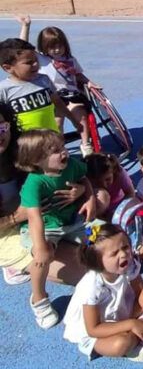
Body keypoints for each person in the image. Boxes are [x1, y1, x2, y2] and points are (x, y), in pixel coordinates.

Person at [15, 129, 97, 329]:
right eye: (55, 151)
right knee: (43, 256)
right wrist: (40, 244)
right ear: (37, 160)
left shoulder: (70, 165)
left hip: (70, 223)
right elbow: (34, 218)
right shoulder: (34, 183)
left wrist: (91, 197)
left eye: (62, 147)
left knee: (97, 234)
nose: (64, 153)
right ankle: (39, 299)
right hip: (46, 228)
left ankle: (105, 264)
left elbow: (84, 176)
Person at [63, 223, 143, 364]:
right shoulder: (92, 286)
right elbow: (94, 329)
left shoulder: (129, 264)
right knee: (121, 344)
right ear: (98, 262)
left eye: (125, 247)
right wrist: (131, 324)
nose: (123, 254)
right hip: (102, 329)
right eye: (114, 253)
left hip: (120, 309)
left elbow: (141, 290)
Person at [0, 104, 86, 287]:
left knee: (101, 201)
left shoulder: (23, 148)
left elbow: (69, 170)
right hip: (8, 230)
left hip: (49, 216)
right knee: (86, 272)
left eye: (2, 127)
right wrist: (17, 217)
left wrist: (80, 189)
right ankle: (18, 265)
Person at [18, 15, 102, 157]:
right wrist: (26, 26)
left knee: (80, 116)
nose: (56, 50)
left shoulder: (70, 59)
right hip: (52, 97)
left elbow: (78, 75)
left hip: (71, 95)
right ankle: (60, 148)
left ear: (65, 44)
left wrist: (88, 82)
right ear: (44, 48)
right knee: (57, 123)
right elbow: (21, 46)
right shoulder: (42, 59)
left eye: (59, 46)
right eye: (52, 47)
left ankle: (86, 145)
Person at [0, 38, 80, 134]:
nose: (36, 64)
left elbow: (57, 102)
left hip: (51, 138)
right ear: (8, 68)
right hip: (25, 144)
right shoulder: (3, 90)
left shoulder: (44, 80)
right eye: (29, 62)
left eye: (36, 60)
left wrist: (73, 120)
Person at [85, 153, 136, 220]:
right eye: (97, 182)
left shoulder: (119, 173)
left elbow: (130, 193)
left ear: (113, 172)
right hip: (99, 209)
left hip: (119, 205)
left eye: (107, 179)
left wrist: (118, 210)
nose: (104, 185)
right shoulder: (86, 180)